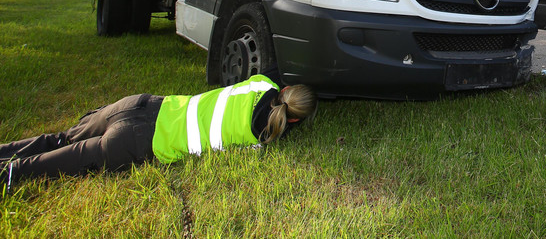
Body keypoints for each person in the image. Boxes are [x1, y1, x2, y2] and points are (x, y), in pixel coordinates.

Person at [1, 73, 317, 190]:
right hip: (135, 143)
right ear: (293, 121)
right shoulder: (258, 141)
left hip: (142, 104)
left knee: (59, 139)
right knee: (34, 170)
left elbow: (269, 79)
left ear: (284, 89)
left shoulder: (261, 83)